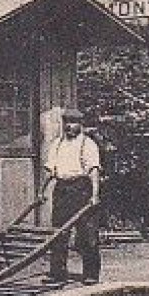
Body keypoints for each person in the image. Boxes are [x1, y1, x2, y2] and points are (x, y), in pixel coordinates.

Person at [44, 108, 102, 286]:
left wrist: (94, 195)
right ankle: (57, 274)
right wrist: (41, 191)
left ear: (80, 125)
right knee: (59, 233)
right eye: (67, 123)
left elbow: (93, 172)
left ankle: (91, 274)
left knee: (87, 233)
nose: (69, 126)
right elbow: (50, 171)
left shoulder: (88, 144)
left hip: (81, 189)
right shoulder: (57, 144)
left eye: (73, 123)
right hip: (62, 189)